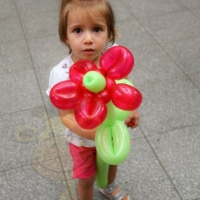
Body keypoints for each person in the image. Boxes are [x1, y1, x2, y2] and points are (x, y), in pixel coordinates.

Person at [46, 0, 140, 199]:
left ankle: (108, 185)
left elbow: (123, 83)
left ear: (109, 32)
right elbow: (65, 114)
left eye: (97, 29)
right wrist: (85, 131)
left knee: (113, 160)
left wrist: (131, 109)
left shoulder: (112, 58)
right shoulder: (62, 74)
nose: (88, 39)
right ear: (65, 36)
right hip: (83, 140)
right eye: (78, 30)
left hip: (112, 128)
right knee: (86, 177)